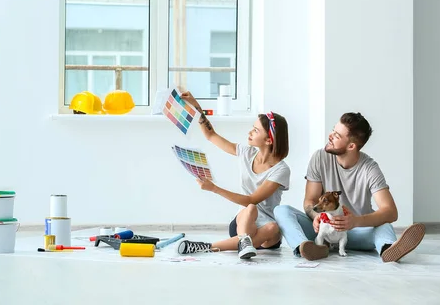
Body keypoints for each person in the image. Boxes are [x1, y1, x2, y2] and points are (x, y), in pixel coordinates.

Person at [274, 112, 426, 262]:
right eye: (333, 130)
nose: (330, 136)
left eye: (337, 136)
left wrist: (355, 221)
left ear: (351, 145)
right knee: (282, 211)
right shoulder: (319, 158)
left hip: (356, 232)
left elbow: (391, 212)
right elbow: (310, 200)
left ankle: (388, 249)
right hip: (323, 231)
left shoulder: (369, 168)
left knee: (384, 225)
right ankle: (306, 248)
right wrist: (317, 216)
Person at [176, 91, 291, 259]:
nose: (249, 133)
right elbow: (210, 135)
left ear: (268, 140)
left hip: (267, 231)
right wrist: (197, 108)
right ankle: (244, 240)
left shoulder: (281, 170)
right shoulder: (246, 152)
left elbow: (252, 199)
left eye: (255, 130)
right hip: (243, 221)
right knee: (250, 209)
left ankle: (211, 246)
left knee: (273, 226)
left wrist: (214, 189)